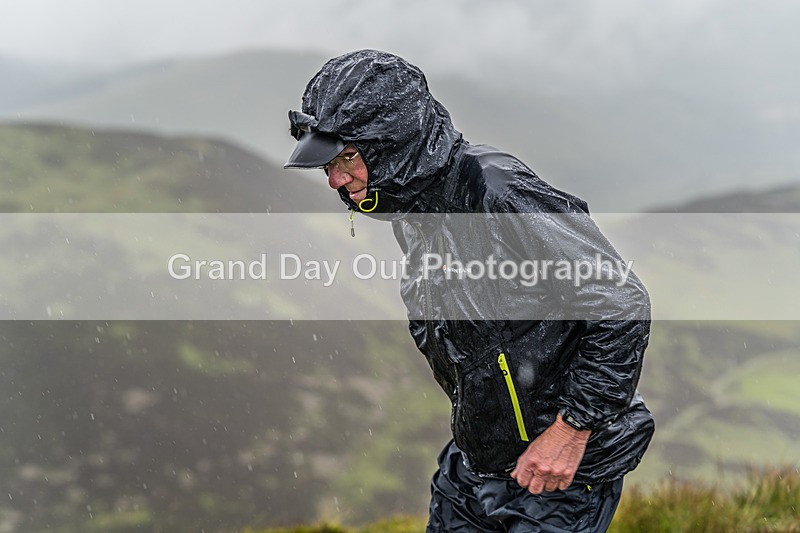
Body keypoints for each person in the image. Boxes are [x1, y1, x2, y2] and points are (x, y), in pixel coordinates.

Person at [284, 50, 654, 533]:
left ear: (393, 143)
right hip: (475, 465)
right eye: (327, 165)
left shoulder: (496, 191)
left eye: (347, 157)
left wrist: (570, 429)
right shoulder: (413, 206)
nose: (336, 179)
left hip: (558, 474)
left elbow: (622, 303)